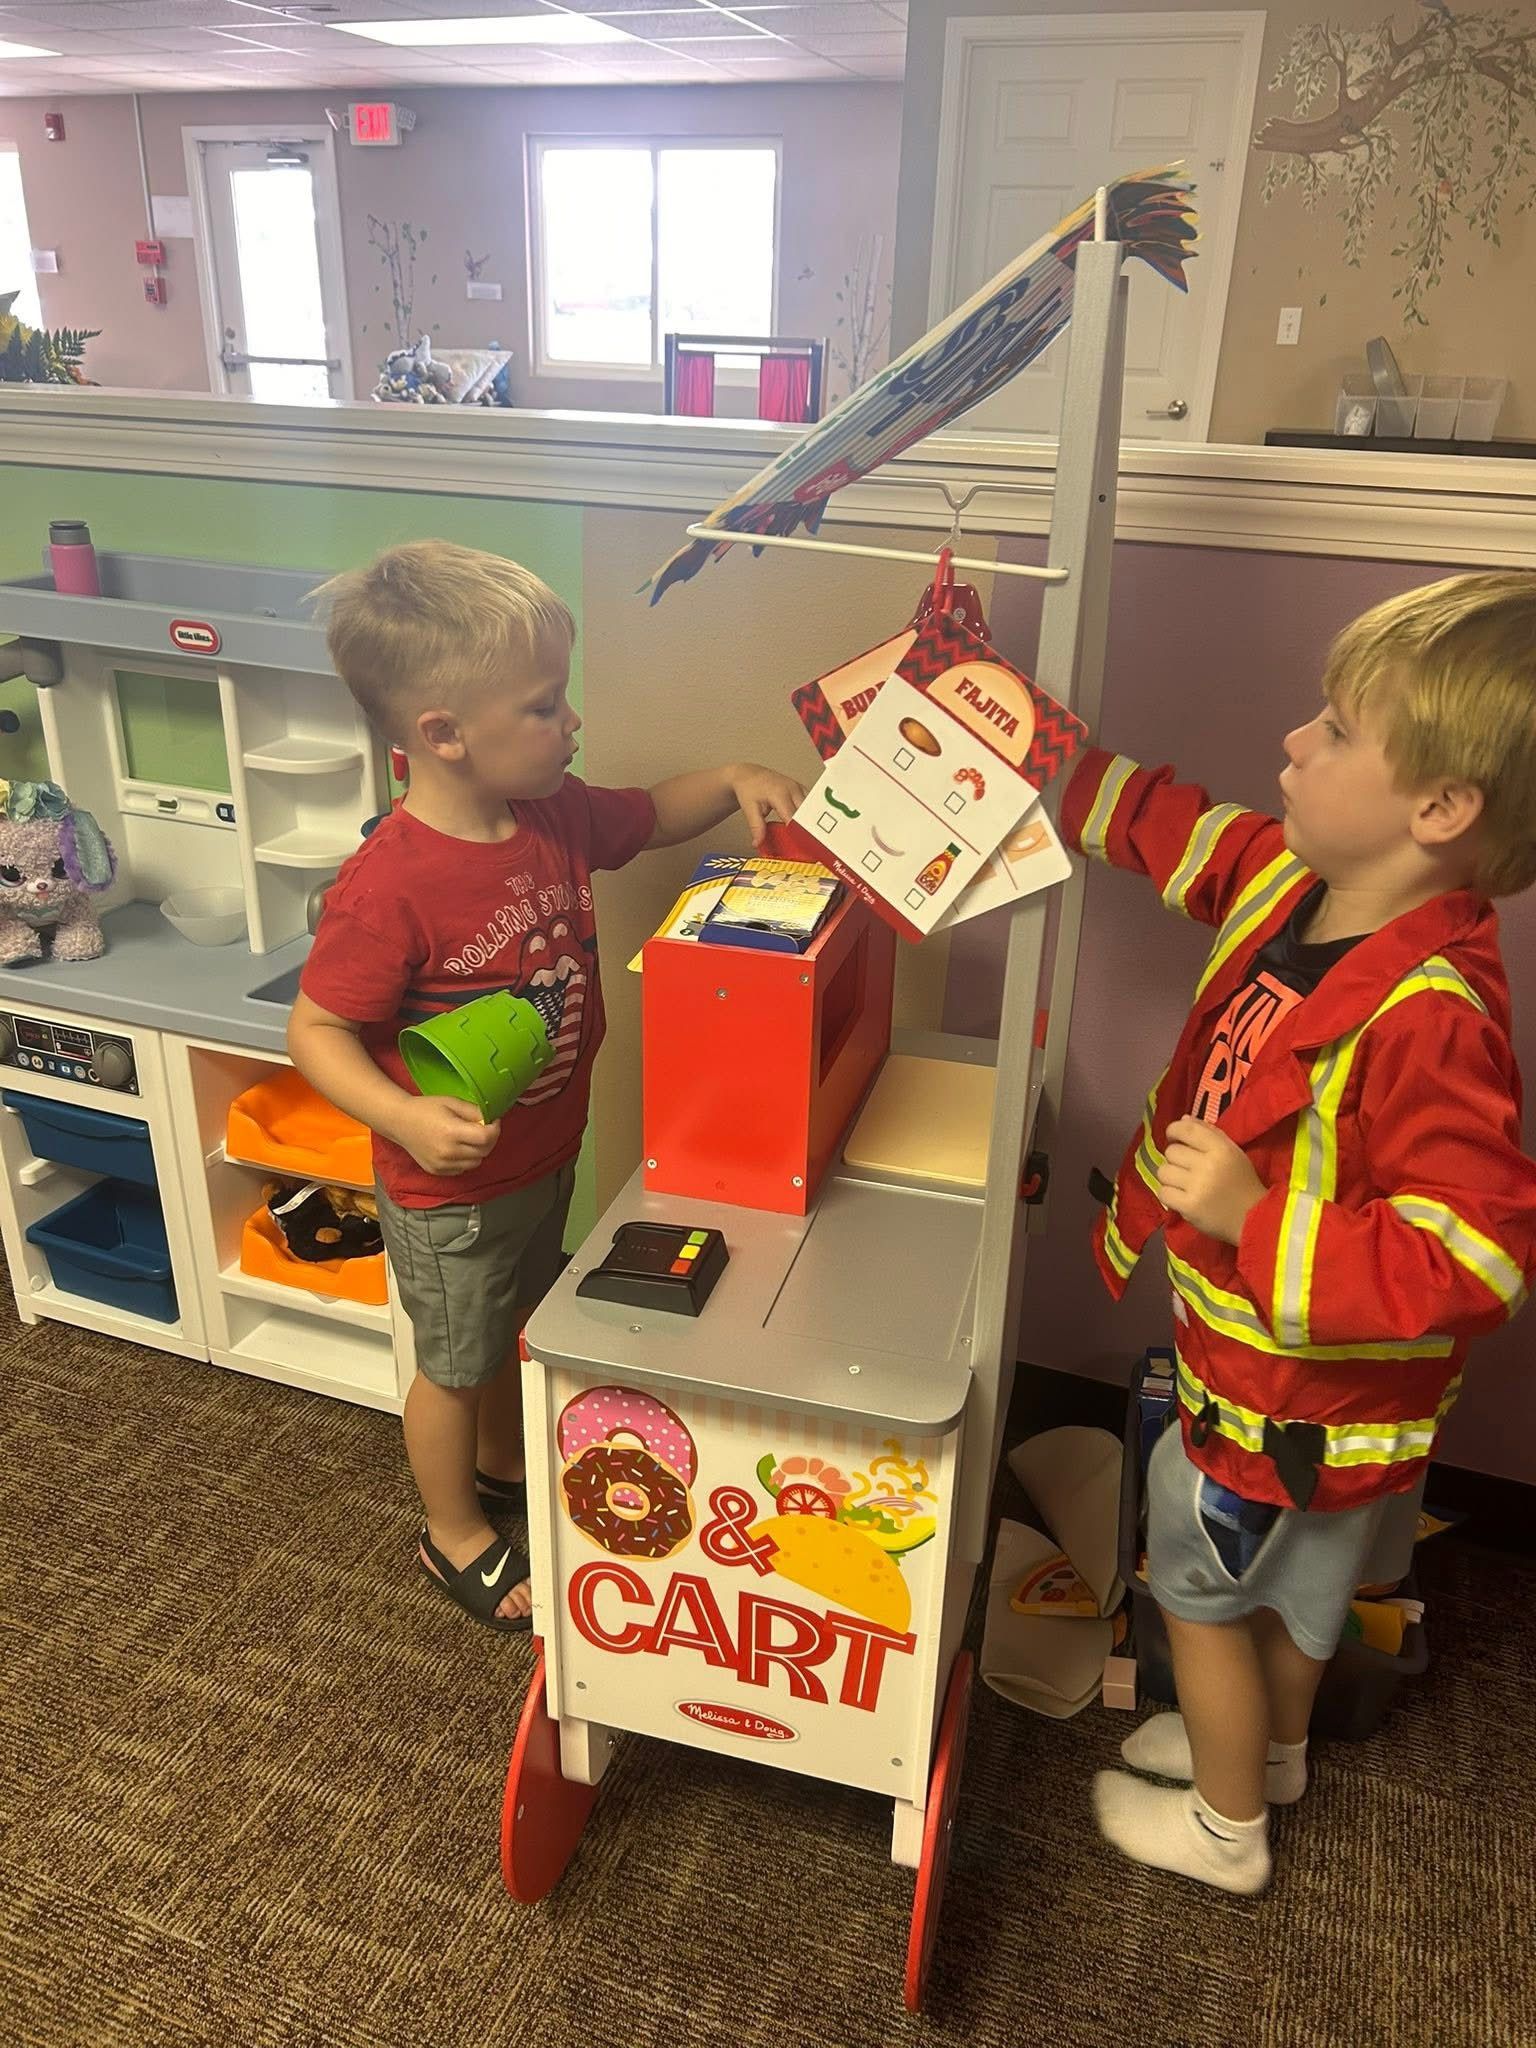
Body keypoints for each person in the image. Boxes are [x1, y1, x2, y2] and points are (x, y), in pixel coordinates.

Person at [1059, 572, 1536, 1893]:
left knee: (1196, 1596)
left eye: (1333, 732)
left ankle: (1227, 1833)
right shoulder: (1296, 879)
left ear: (1437, 811)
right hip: (1293, 1396)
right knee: (1304, 1598)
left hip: (1289, 1402)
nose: (1292, 745)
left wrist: (1259, 1222)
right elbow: (1175, 831)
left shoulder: (1433, 1014)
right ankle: (1263, 1762)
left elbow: (1476, 1256)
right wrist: (1034, 742)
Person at [288, 540, 805, 1632]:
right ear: (443, 735)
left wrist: (730, 778)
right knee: (454, 1356)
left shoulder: (554, 813)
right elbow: (319, 1028)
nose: (569, 723)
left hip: (541, 1154)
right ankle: (452, 1530)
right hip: (448, 1193)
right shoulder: (390, 885)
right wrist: (403, 1116)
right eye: (542, 706)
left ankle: (498, 1462)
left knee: (522, 1311)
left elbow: (651, 813)